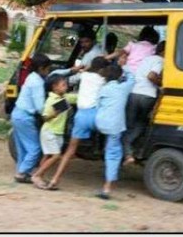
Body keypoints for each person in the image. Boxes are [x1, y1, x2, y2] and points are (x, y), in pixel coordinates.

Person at [47, 56, 109, 190]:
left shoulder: (85, 76)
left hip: (81, 116)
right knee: (112, 143)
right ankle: (107, 186)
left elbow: (80, 73)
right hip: (96, 116)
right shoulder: (103, 81)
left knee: (70, 150)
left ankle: (54, 179)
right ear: (103, 70)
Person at [94, 60, 135, 200]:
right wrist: (125, 66)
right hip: (114, 126)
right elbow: (132, 78)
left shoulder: (103, 89)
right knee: (113, 154)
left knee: (110, 145)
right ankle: (107, 188)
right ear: (119, 77)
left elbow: (98, 105)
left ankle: (114, 157)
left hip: (100, 122)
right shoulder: (123, 88)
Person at [123, 41, 166, 165]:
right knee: (141, 123)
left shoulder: (147, 59)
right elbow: (151, 76)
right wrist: (161, 84)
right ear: (164, 51)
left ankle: (127, 153)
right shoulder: (160, 60)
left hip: (134, 93)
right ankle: (130, 150)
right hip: (147, 96)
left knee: (128, 125)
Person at [11, 53, 52, 184]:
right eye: (48, 69)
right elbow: (40, 108)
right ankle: (21, 172)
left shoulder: (31, 76)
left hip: (17, 114)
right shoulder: (38, 83)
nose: (49, 71)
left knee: (23, 148)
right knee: (35, 148)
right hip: (25, 117)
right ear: (41, 69)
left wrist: (70, 71)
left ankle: (24, 173)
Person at [31, 75, 77, 190]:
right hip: (50, 131)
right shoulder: (52, 100)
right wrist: (54, 114)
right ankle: (36, 176)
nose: (66, 87)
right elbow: (45, 117)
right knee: (56, 156)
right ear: (55, 87)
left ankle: (40, 175)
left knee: (48, 155)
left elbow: (76, 98)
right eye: (63, 85)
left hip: (57, 132)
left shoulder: (63, 98)